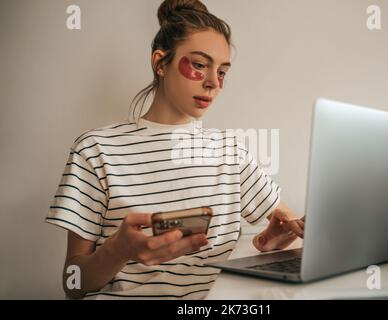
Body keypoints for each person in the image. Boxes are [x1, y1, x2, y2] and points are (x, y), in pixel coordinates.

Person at [46, 0, 305, 300]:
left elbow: (290, 224)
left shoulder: (231, 151)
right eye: (198, 65)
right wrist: (119, 250)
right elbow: (73, 285)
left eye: (222, 71)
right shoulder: (94, 150)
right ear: (159, 63)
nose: (213, 83)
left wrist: (269, 240)